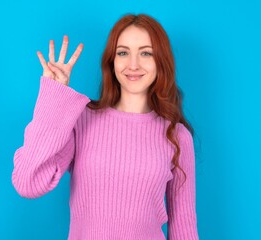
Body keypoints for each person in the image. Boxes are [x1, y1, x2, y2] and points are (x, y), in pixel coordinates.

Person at [12, 13, 199, 240]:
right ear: (112, 61)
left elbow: (183, 226)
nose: (133, 64)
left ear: (161, 61)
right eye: (123, 52)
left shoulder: (177, 136)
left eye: (146, 53)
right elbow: (27, 183)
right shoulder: (81, 120)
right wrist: (52, 96)